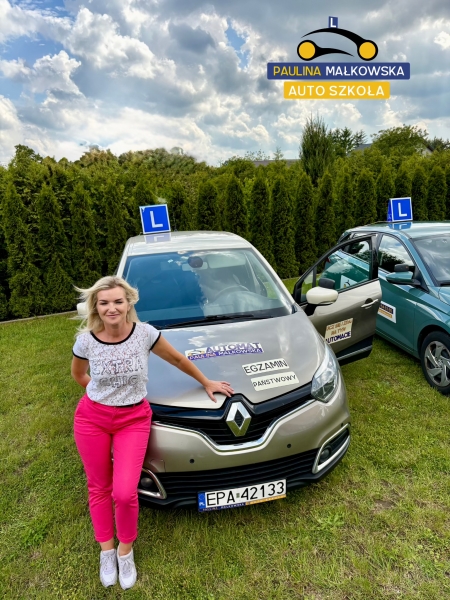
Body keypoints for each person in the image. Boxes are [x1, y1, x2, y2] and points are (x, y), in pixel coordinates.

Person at [71, 276, 233, 590]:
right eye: (104, 303)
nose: (111, 308)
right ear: (96, 307)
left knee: (124, 492)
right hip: (92, 419)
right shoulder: (86, 341)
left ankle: (125, 551)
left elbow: (177, 359)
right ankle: (107, 551)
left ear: (128, 303)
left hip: (133, 420)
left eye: (118, 301)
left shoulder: (145, 334)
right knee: (99, 487)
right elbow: (79, 374)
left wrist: (207, 382)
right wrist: (103, 397)